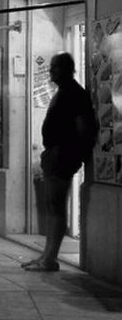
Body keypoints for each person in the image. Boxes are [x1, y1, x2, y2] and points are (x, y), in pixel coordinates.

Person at [23, 52, 97, 272]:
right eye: (51, 67)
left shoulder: (74, 93)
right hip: (56, 154)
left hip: (62, 156)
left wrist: (68, 152)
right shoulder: (64, 92)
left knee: (56, 206)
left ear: (67, 69)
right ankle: (46, 255)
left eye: (55, 67)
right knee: (51, 206)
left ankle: (50, 258)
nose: (51, 71)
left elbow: (83, 128)